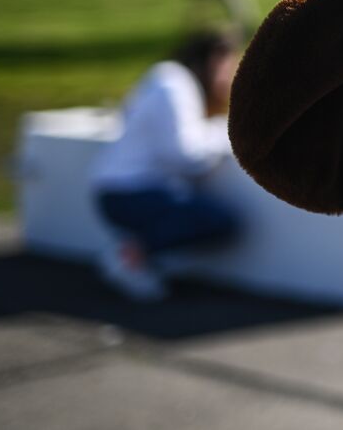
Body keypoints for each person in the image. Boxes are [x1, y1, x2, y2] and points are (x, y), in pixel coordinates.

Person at [90, 29, 242, 300]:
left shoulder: (165, 78)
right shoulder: (175, 86)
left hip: (116, 188)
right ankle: (130, 256)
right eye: (227, 67)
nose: (227, 78)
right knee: (219, 220)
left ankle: (136, 256)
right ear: (212, 60)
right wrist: (222, 134)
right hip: (132, 191)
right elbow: (186, 155)